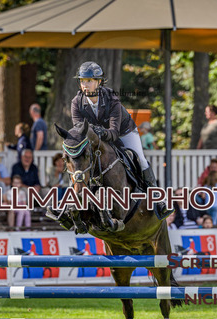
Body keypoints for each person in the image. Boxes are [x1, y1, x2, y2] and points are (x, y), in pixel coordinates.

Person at [70, 61, 170, 219]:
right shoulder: (76, 102)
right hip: (97, 138)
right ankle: (73, 202)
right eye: (82, 81)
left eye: (89, 81)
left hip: (124, 132)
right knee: (79, 161)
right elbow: (79, 130)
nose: (85, 85)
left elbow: (114, 133)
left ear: (99, 82)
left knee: (140, 159)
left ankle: (158, 199)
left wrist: (99, 132)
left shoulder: (111, 98)